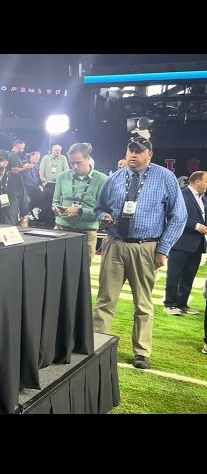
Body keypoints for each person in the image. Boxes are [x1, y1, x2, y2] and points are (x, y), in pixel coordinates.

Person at [93, 136, 187, 370]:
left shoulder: (165, 177)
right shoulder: (115, 177)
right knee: (105, 299)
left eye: (139, 151)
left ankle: (142, 352)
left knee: (142, 303)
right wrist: (103, 216)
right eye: (130, 150)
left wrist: (163, 249)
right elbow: (100, 207)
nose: (133, 155)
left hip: (146, 246)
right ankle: (96, 342)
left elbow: (179, 215)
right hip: (114, 244)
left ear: (149, 154)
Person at [52, 142, 108, 265]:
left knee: (81, 275)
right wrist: (58, 209)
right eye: (72, 163)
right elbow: (54, 203)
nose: (75, 166)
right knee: (54, 271)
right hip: (61, 231)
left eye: (79, 162)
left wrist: (79, 211)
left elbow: (102, 211)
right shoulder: (62, 177)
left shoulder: (102, 179)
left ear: (88, 158)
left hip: (86, 234)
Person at [163, 170, 207, 315]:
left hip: (197, 244)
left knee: (189, 275)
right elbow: (174, 215)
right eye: (206, 181)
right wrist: (196, 226)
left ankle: (182, 304)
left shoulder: (204, 199)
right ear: (197, 181)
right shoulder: (181, 195)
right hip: (180, 242)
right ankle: (169, 303)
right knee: (174, 274)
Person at [38, 144, 69, 227]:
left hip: (59, 185)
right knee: (47, 203)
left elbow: (66, 171)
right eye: (56, 150)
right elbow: (41, 169)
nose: (58, 152)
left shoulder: (63, 158)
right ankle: (47, 221)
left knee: (58, 203)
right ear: (52, 150)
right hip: (48, 184)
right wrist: (42, 179)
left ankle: (58, 221)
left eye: (59, 150)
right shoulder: (46, 158)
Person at [20, 150, 44, 220]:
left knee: (46, 192)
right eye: (36, 156)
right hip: (27, 186)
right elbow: (28, 178)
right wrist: (38, 185)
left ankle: (34, 209)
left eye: (39, 157)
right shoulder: (26, 164)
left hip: (34, 186)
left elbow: (38, 177)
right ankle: (32, 210)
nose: (38, 158)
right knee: (40, 193)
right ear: (31, 156)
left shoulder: (36, 167)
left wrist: (41, 184)